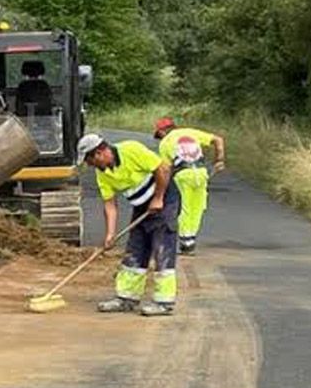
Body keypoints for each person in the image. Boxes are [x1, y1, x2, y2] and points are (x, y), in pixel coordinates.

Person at [78, 133, 181, 316]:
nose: (89, 165)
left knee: (161, 248)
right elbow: (110, 205)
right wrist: (110, 234)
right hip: (141, 206)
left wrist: (157, 199)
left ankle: (164, 302)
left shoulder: (131, 150)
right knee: (135, 248)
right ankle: (127, 297)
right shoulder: (102, 174)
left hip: (165, 199)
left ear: (100, 152)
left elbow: (163, 169)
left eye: (89, 160)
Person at [153, 117, 226, 255]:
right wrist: (219, 160)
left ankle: (186, 241)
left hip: (183, 174)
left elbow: (165, 169)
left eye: (158, 134)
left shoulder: (165, 143)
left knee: (185, 207)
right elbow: (218, 140)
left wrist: (161, 192)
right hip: (201, 173)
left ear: (162, 131)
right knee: (197, 207)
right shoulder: (190, 132)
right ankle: (190, 239)